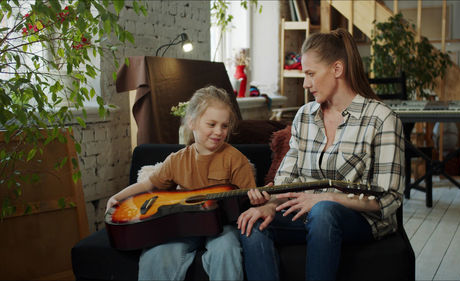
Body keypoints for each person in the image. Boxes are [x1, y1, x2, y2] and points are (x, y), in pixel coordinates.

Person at [237, 29, 405, 280]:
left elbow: (389, 199)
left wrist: (326, 199)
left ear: (337, 69)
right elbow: (286, 179)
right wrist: (271, 205)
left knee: (324, 212)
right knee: (250, 223)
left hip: (359, 220)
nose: (305, 83)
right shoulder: (304, 116)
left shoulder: (381, 118)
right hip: (306, 213)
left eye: (310, 74)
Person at [106, 85, 256, 280]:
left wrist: (258, 200)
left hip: (222, 225)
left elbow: (250, 198)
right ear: (192, 123)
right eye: (211, 124)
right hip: (185, 225)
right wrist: (117, 197)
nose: (218, 131)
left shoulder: (236, 159)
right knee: (156, 254)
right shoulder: (177, 160)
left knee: (227, 250)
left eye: (224, 126)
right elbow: (148, 185)